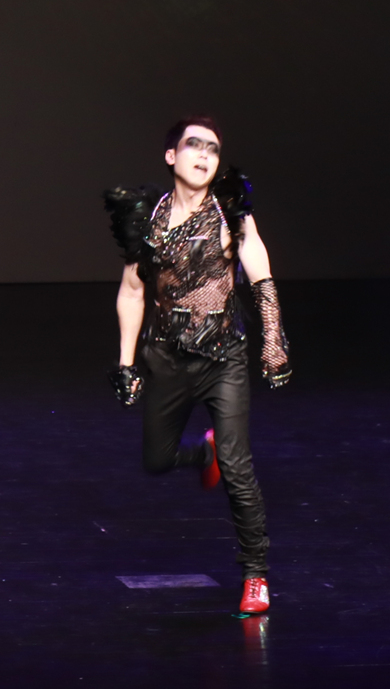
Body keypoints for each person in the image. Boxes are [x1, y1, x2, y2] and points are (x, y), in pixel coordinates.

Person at [106, 116, 292, 618]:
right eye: (194, 145)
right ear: (172, 156)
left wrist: (273, 342)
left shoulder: (231, 211)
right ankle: (201, 454)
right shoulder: (146, 218)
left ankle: (255, 575)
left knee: (238, 467)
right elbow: (132, 291)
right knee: (157, 459)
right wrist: (126, 363)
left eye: (212, 147)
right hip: (167, 357)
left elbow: (261, 277)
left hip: (224, 357)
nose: (205, 154)